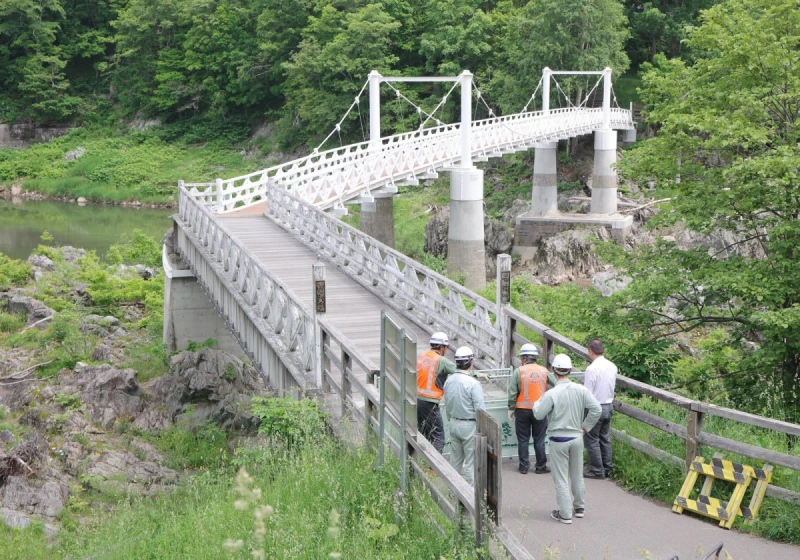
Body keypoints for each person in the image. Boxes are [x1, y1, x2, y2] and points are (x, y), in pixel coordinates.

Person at [533, 354, 601, 524]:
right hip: (577, 437)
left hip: (558, 439)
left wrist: (536, 404)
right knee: (577, 474)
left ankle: (565, 513)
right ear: (570, 370)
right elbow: (596, 409)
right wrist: (585, 426)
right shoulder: (581, 390)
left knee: (561, 477)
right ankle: (579, 507)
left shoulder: (552, 393)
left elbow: (539, 414)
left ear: (553, 371)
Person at [507, 343, 556, 474]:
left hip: (522, 410)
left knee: (523, 439)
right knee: (539, 439)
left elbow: (512, 392)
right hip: (540, 410)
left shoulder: (519, 371)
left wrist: (511, 408)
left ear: (523, 358)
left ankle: (524, 466)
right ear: (535, 357)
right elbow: (557, 385)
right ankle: (541, 466)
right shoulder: (544, 371)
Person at [443, 346, 485, 486]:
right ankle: (470, 497)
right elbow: (480, 410)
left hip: (454, 422)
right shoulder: (474, 383)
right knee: (471, 463)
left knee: (455, 461)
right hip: (470, 424)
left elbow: (447, 403)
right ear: (471, 362)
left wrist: (451, 419)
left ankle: (452, 493)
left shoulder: (449, 381)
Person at [583, 339, 618, 479]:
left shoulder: (591, 369)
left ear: (591, 351)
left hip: (595, 406)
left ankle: (597, 470)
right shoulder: (612, 366)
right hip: (608, 405)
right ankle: (607, 467)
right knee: (604, 438)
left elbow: (587, 392)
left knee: (591, 439)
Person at [416, 332, 456, 453]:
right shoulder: (441, 360)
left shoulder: (423, 355)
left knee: (423, 434)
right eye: (446, 348)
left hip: (417, 399)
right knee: (438, 437)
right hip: (430, 403)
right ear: (442, 347)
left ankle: (421, 464)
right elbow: (461, 371)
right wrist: (479, 374)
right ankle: (433, 470)